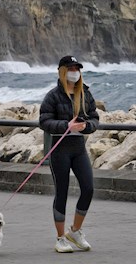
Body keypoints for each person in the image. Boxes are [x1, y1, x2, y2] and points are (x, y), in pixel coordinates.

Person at [39, 55, 99, 253]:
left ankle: (75, 231)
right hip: (59, 149)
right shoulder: (53, 96)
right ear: (63, 71)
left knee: (88, 188)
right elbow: (44, 121)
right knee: (62, 192)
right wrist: (66, 125)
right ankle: (60, 238)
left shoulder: (85, 93)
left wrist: (86, 126)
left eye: (77, 68)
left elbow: (95, 119)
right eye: (71, 68)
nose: (75, 71)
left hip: (78, 147)